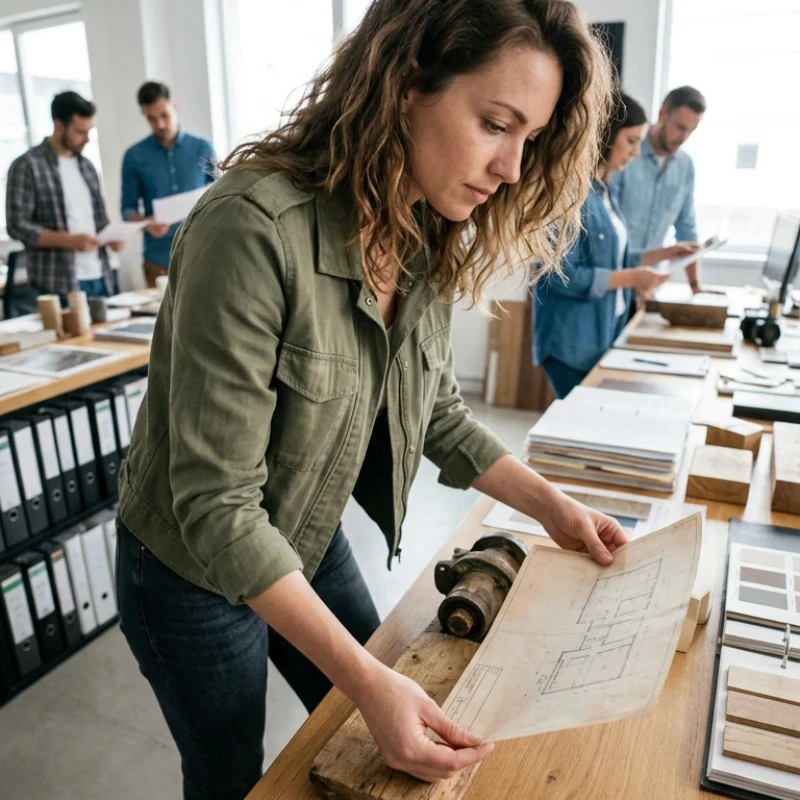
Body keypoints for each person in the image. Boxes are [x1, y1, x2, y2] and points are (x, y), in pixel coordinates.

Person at [116, 2, 628, 797]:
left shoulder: (420, 225)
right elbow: (216, 504)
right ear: (404, 85)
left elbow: (437, 413)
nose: (512, 168)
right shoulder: (251, 228)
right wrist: (364, 682)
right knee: (232, 774)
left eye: (529, 139)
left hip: (304, 532)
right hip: (190, 572)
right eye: (496, 124)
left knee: (392, 707)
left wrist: (554, 508)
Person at [533, 91, 699, 398]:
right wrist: (633, 278)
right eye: (631, 141)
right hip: (571, 343)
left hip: (602, 334)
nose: (635, 153)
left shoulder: (603, 192)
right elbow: (558, 275)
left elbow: (612, 258)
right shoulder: (568, 196)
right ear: (605, 136)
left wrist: (663, 254)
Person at [6, 91, 123, 301]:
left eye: (89, 131)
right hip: (56, 282)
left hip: (100, 276)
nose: (86, 138)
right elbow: (17, 225)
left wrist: (111, 238)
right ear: (59, 126)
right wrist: (69, 241)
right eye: (80, 132)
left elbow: (99, 221)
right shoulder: (27, 165)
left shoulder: (87, 167)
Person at [610, 86, 709, 293]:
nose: (684, 137)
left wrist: (695, 286)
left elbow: (687, 228)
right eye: (680, 127)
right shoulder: (625, 153)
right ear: (662, 114)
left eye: (691, 131)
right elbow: (607, 222)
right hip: (613, 278)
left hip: (647, 286)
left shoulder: (685, 166)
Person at [121, 81, 216, 287]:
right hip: (158, 261)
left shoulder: (203, 148)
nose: (160, 124)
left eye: (164, 115)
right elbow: (127, 210)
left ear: (174, 106)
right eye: (152, 119)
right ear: (144, 114)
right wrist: (147, 223)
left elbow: (222, 196)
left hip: (203, 253)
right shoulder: (134, 156)